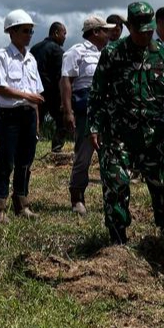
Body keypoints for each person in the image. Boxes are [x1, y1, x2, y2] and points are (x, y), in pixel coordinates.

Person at [87, 2, 164, 253]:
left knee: (163, 185)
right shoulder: (113, 53)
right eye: (140, 31)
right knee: (116, 184)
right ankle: (118, 239)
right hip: (117, 132)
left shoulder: (163, 54)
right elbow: (97, 92)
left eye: (149, 31)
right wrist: (94, 126)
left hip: (152, 133)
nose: (146, 36)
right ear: (129, 27)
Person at [0, 9, 45, 224]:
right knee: (6, 162)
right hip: (9, 116)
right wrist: (27, 96)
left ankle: (22, 204)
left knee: (25, 162)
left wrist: (37, 121)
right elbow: (0, 87)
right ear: (11, 32)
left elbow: (37, 96)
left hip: (29, 116)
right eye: (25, 30)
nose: (29, 35)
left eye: (31, 31)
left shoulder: (31, 59)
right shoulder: (1, 56)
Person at [60, 15, 113, 216]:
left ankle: (110, 199)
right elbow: (66, 82)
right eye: (105, 30)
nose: (109, 34)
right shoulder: (76, 52)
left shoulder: (107, 54)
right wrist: (68, 111)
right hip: (86, 109)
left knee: (109, 155)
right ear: (96, 32)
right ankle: (77, 197)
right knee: (83, 155)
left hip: (106, 108)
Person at [30, 22, 70, 152]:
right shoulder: (57, 51)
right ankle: (57, 148)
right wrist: (63, 99)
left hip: (34, 92)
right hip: (51, 93)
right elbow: (61, 76)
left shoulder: (34, 48)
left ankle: (29, 148)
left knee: (35, 122)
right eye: (64, 34)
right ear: (56, 33)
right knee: (62, 120)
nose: (65, 37)